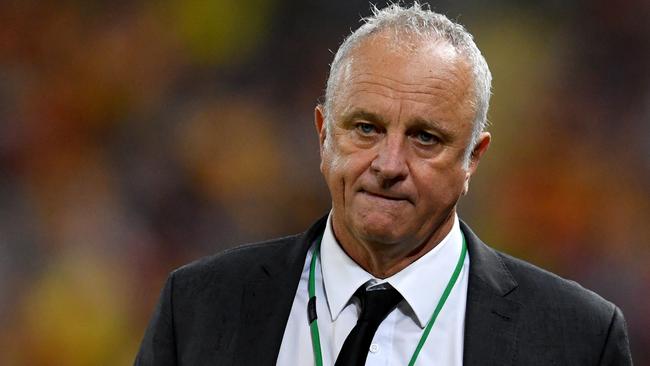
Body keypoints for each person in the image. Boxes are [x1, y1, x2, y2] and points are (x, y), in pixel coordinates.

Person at [135, 3, 632, 365]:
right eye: (366, 128)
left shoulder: (578, 339)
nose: (388, 164)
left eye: (425, 137)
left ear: (473, 159)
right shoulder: (198, 307)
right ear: (323, 133)